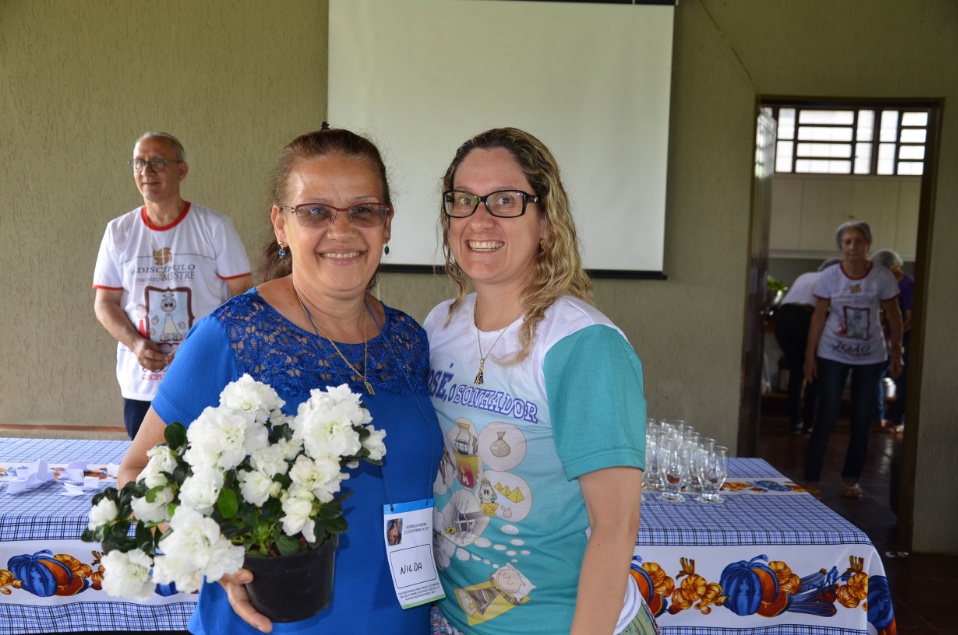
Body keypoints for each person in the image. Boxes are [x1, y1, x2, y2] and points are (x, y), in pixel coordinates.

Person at [117, 126, 443, 634]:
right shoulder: (230, 335)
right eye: (315, 211)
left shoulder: (409, 340)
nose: (342, 230)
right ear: (281, 225)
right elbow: (136, 475)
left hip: (396, 620)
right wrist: (218, 559)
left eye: (363, 210)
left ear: (387, 224)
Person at [425, 128, 656, 635]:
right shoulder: (438, 326)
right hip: (460, 621)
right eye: (464, 200)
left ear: (547, 223)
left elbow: (615, 529)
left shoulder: (584, 345)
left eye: (506, 201)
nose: (479, 219)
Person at [93, 132, 252, 439]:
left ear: (182, 170)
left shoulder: (215, 227)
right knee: (148, 474)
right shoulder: (118, 232)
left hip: (203, 376)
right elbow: (105, 303)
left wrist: (200, 347)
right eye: (139, 163)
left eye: (158, 162)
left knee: (206, 469)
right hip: (141, 382)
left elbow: (243, 299)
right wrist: (136, 344)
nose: (147, 171)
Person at [803, 221, 902, 500]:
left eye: (858, 241)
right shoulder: (830, 276)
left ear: (868, 245)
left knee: (862, 418)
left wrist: (897, 351)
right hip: (832, 352)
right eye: (847, 242)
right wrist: (809, 357)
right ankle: (811, 478)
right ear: (840, 247)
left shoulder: (882, 276)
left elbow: (894, 315)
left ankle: (851, 479)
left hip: (871, 356)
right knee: (827, 415)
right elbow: (818, 316)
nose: (852, 247)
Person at [774, 257, 841, 435]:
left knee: (796, 371)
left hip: (783, 318)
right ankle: (809, 424)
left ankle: (795, 422)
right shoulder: (832, 279)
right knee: (813, 371)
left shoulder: (806, 275)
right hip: (805, 317)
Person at [871, 248, 914, 434]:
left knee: (902, 379)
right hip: (886, 337)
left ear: (893, 267)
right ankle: (878, 418)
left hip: (905, 337)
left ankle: (899, 420)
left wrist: (895, 338)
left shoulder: (908, 284)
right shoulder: (884, 284)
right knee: (875, 375)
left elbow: (910, 319)